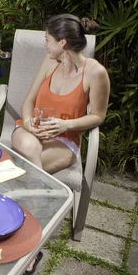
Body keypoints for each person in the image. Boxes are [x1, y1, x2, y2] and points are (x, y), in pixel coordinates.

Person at [12, 14, 111, 174]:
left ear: (62, 42)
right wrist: (29, 123)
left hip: (65, 140)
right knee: (29, 150)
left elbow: (98, 116)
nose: (45, 45)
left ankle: (31, 192)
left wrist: (65, 124)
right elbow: (29, 101)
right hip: (31, 131)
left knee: (23, 169)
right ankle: (40, 192)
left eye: (47, 39)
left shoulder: (96, 72)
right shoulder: (49, 62)